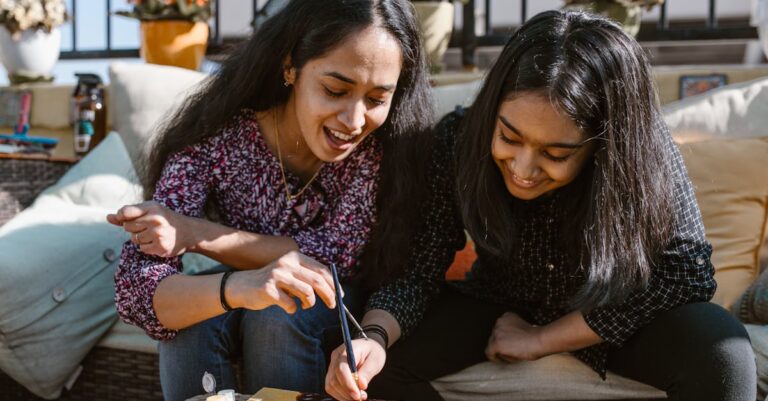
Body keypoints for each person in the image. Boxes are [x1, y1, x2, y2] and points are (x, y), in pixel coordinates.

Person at [325, 10, 757, 401]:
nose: (524, 169)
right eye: (509, 138)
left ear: (602, 147)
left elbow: (686, 275)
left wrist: (541, 339)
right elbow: (418, 268)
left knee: (723, 351)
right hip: (497, 302)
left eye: (555, 154)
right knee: (364, 368)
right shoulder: (456, 141)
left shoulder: (641, 151)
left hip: (612, 311)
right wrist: (375, 338)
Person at [107, 1, 432, 400]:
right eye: (335, 90)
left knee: (280, 310)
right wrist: (242, 287)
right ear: (290, 67)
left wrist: (195, 233)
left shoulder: (381, 151)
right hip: (245, 292)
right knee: (194, 318)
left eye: (377, 99)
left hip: (335, 312)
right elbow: (137, 291)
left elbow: (333, 258)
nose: (354, 120)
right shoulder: (216, 137)